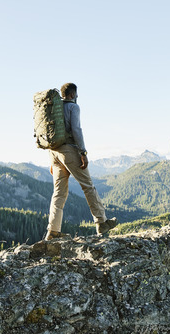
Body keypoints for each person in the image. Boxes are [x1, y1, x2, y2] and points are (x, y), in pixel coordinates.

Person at [44, 83, 117, 240]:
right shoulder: (73, 107)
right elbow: (76, 129)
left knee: (58, 193)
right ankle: (101, 222)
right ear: (71, 95)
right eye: (76, 95)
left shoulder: (53, 108)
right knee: (88, 186)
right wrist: (83, 152)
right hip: (69, 150)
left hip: (54, 152)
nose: (76, 98)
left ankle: (53, 231)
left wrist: (52, 160)